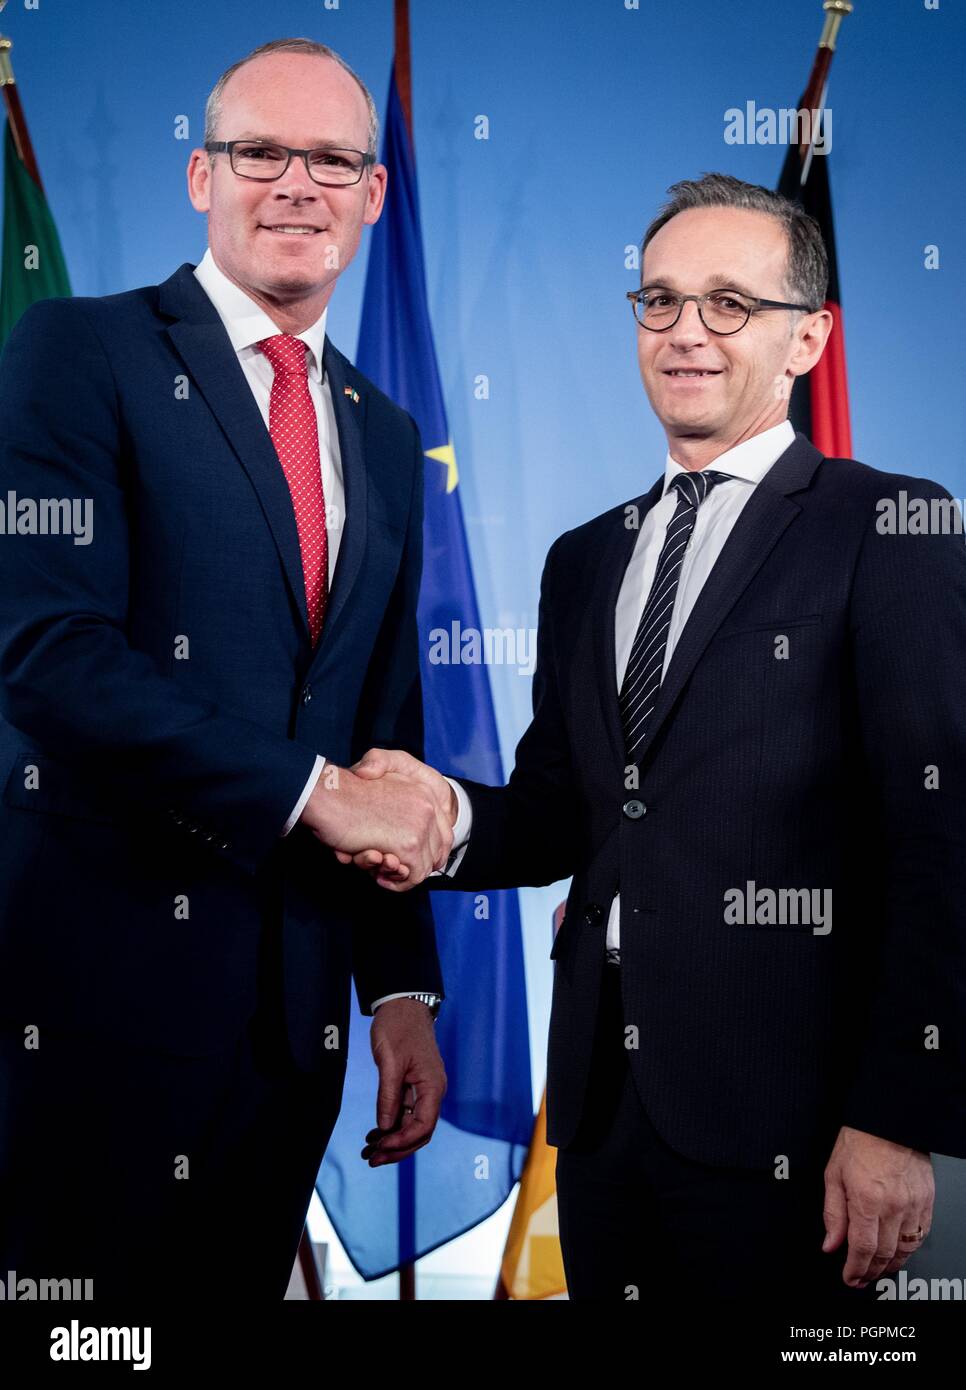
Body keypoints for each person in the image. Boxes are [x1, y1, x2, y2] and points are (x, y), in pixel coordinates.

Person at [341, 173, 966, 1300]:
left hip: (801, 1127)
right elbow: (558, 810)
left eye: (730, 303)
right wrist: (435, 817)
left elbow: (946, 845)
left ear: (808, 340)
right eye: (661, 300)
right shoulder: (587, 556)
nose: (686, 332)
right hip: (602, 1113)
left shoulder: (889, 526)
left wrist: (896, 1119)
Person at [0, 38, 452, 1303]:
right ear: (203, 175)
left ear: (371, 194)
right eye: (262, 152)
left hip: (289, 1026)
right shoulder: (78, 354)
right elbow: (50, 658)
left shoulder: (386, 429)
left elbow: (381, 726)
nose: (296, 183)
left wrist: (400, 986)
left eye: (333, 159)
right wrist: (314, 795)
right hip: (94, 997)